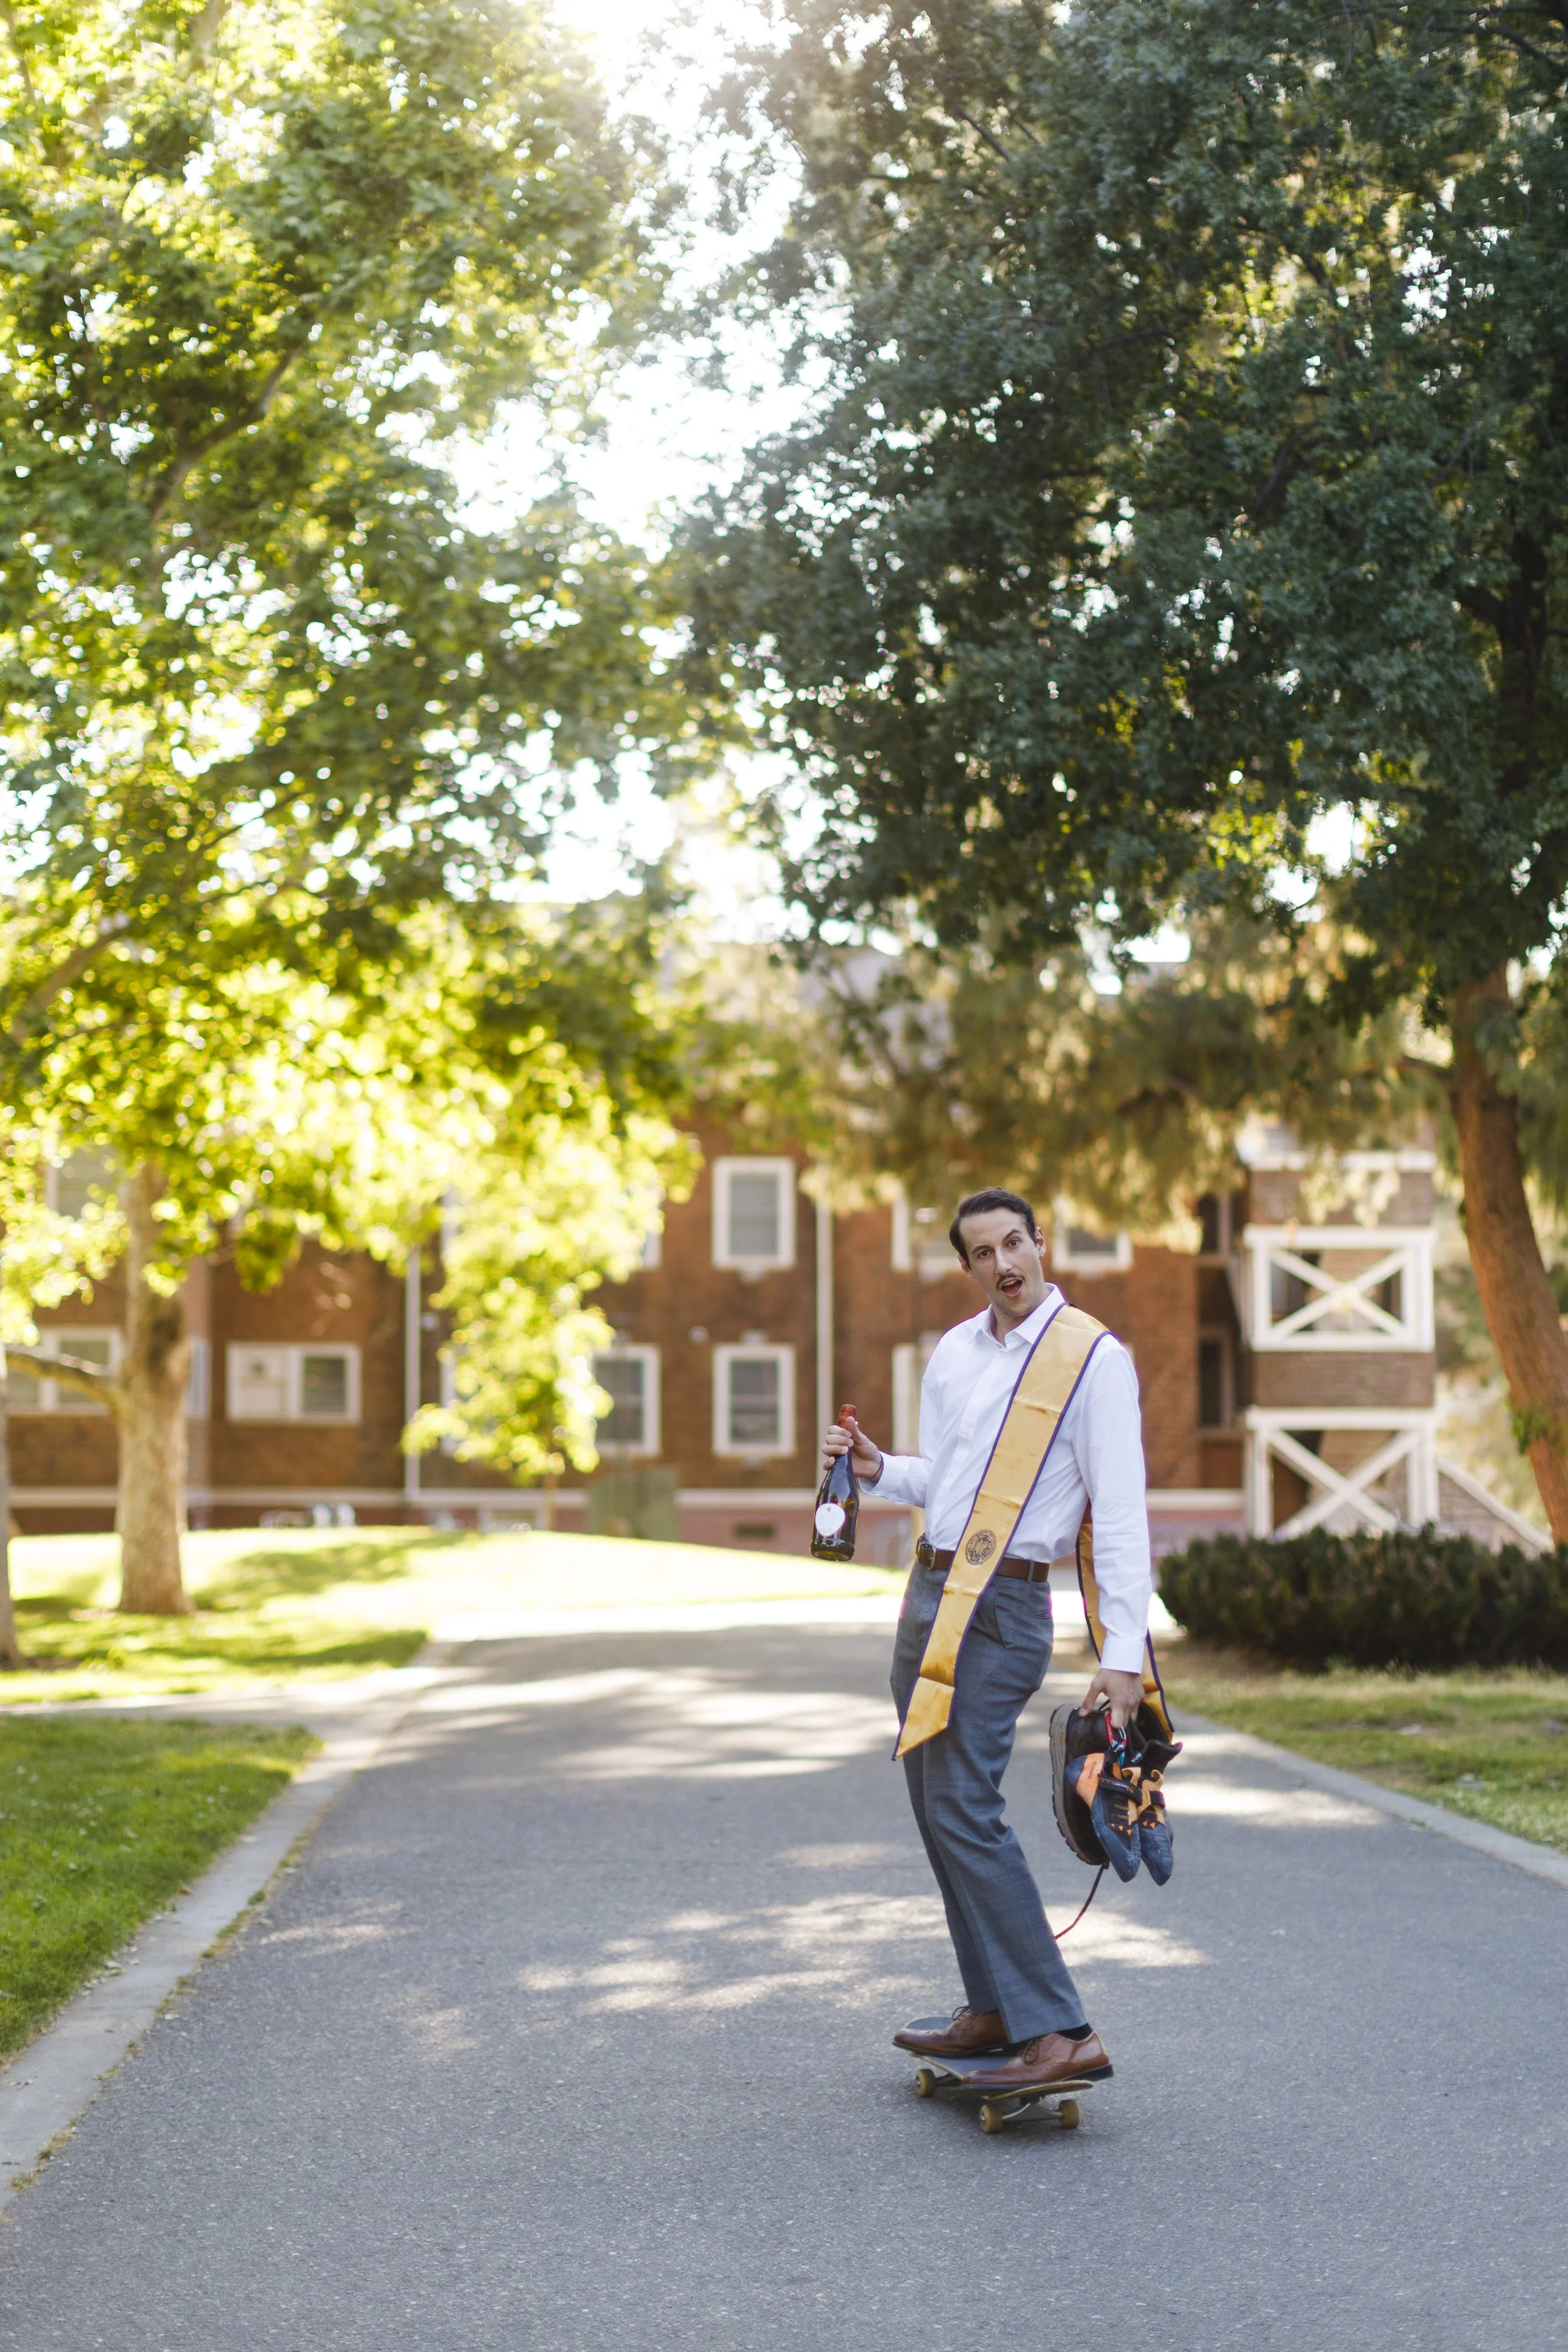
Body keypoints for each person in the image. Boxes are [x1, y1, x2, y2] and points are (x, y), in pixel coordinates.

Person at [819, 1187, 1152, 2095]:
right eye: (984, 1252)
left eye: (1016, 1242)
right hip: (929, 1593)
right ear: (965, 1266)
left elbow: (1119, 1511)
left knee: (966, 1806)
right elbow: (954, 1482)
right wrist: (882, 1470)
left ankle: (1061, 2025)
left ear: (1041, 1242)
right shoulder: (957, 1352)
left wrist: (1122, 1650)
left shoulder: (1090, 1359)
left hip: (1003, 1610)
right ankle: (996, 2005)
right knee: (936, 1809)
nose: (1005, 1264)